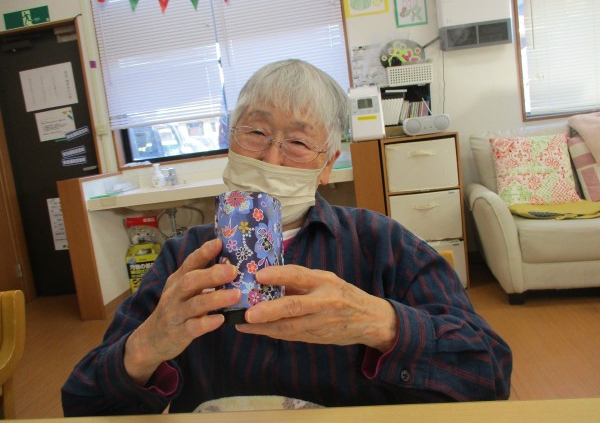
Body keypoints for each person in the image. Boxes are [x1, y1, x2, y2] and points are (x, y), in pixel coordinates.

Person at [62, 59, 512, 416]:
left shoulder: (380, 242)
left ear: (327, 164)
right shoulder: (184, 256)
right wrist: (147, 346)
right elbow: (83, 403)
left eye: (297, 143)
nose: (271, 158)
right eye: (256, 133)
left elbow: (489, 373)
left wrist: (380, 323)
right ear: (230, 139)